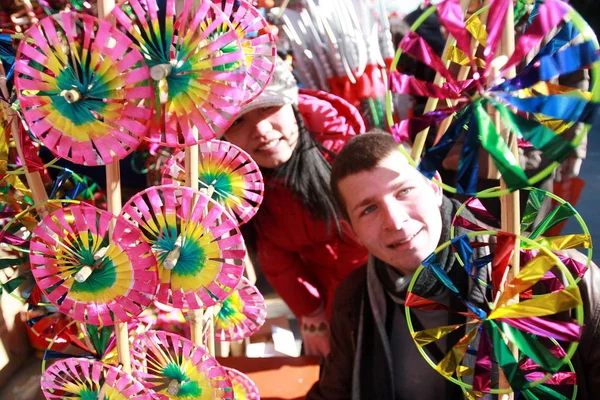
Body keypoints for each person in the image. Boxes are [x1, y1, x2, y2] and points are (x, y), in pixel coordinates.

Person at [307, 130, 600, 399]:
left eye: (404, 191)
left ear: (434, 186)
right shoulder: (354, 299)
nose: (394, 221)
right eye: (369, 209)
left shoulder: (553, 277)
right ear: (352, 231)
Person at [222, 58, 369, 356]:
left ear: (292, 103)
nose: (261, 130)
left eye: (268, 107)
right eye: (238, 120)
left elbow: (367, 246)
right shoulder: (239, 184)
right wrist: (311, 313)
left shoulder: (350, 155)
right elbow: (275, 254)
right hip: (333, 302)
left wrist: (338, 315)